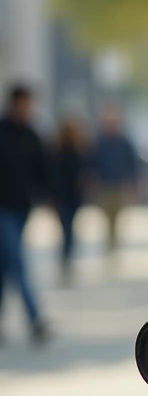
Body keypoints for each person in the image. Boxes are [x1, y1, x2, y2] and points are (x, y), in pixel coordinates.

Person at [0, 85, 50, 344]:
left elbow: (41, 169)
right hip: (3, 209)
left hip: (22, 208)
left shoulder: (31, 134)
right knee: (17, 263)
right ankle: (35, 319)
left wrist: (45, 196)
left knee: (5, 266)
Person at [91, 104, 140, 256]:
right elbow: (92, 163)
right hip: (104, 185)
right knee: (106, 216)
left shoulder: (125, 143)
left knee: (118, 216)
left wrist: (134, 182)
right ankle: (110, 243)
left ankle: (114, 243)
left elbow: (132, 163)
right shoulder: (99, 142)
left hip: (120, 185)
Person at [49, 117, 89, 285]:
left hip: (74, 197)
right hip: (62, 197)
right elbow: (53, 177)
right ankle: (65, 258)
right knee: (66, 228)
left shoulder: (79, 151)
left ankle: (67, 257)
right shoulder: (58, 152)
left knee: (70, 228)